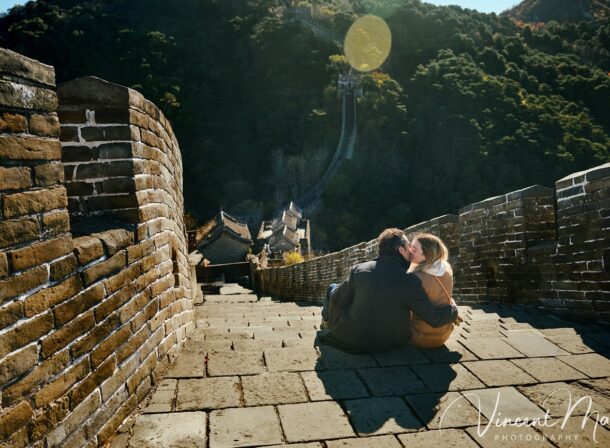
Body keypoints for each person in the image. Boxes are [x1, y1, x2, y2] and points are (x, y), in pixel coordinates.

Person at [320, 228, 459, 353]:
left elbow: (337, 300)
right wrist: (453, 310)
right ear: (400, 250)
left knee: (333, 288)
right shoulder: (410, 280)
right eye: (408, 247)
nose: (411, 252)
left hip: (350, 338)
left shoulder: (359, 270)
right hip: (389, 343)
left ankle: (326, 322)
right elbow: (434, 318)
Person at [407, 233, 458, 348]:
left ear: (426, 256)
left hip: (419, 336)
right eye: (410, 247)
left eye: (414, 250)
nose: (409, 251)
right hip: (444, 334)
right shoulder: (447, 267)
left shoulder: (414, 277)